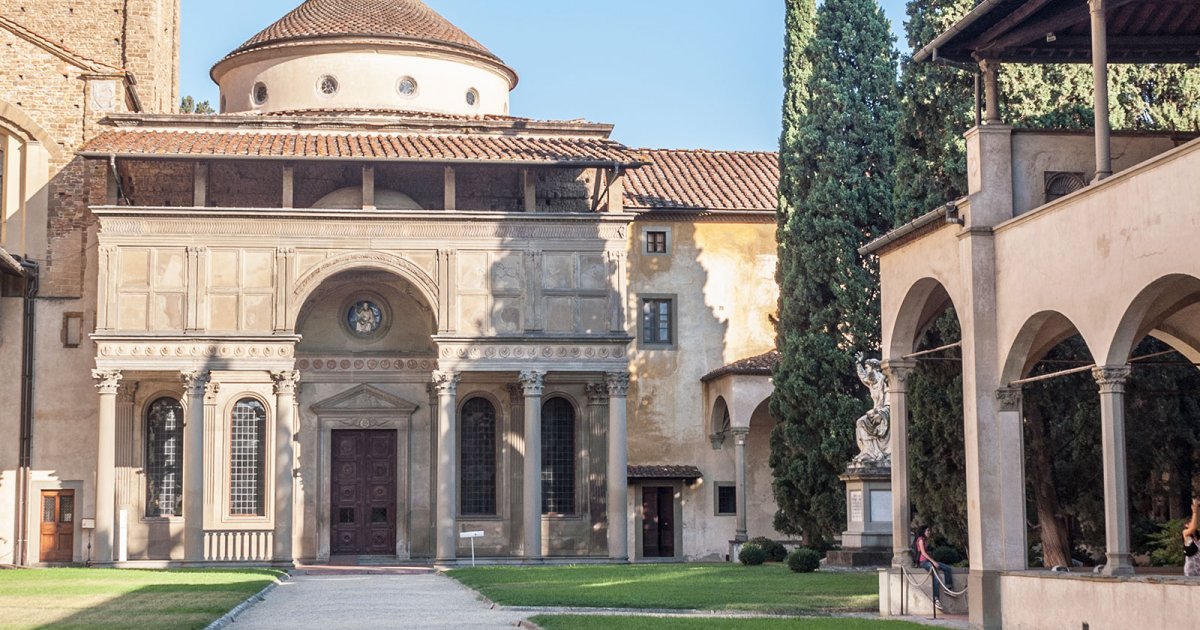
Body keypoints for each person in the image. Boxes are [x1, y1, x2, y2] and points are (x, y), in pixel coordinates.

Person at [915, 526, 954, 611]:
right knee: (936, 578)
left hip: (930, 561)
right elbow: (924, 553)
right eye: (928, 530)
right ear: (923, 531)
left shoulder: (926, 540)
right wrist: (933, 562)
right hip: (924, 562)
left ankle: (948, 588)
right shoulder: (920, 540)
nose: (929, 532)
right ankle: (936, 599)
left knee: (947, 568)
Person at [1183, 497, 1200, 577]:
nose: (1194, 522)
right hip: (1190, 569)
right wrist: (1195, 512)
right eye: (1191, 521)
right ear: (1186, 525)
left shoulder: (1198, 534)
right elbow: (1193, 527)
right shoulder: (1185, 533)